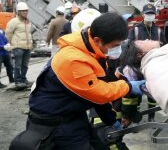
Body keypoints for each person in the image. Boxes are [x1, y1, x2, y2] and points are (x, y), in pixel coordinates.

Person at [9, 12, 146, 150]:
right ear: (98, 40)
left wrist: (110, 119)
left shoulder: (93, 53)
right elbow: (98, 92)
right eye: (115, 45)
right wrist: (128, 86)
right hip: (55, 125)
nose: (117, 49)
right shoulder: (73, 60)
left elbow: (96, 95)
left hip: (74, 116)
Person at [127, 3, 164, 121]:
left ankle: (151, 117)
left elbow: (164, 47)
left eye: (152, 13)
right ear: (143, 15)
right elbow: (129, 46)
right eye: (148, 14)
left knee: (151, 91)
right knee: (137, 92)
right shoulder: (136, 29)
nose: (150, 16)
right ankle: (135, 117)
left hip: (154, 65)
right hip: (138, 65)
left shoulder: (158, 30)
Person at [5, 2, 33, 90]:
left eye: (26, 11)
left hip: (27, 47)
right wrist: (13, 44)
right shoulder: (14, 22)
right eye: (23, 11)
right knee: (17, 65)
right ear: (18, 12)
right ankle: (18, 81)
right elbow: (8, 34)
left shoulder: (28, 22)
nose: (25, 12)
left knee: (25, 65)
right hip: (18, 48)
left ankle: (23, 79)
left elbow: (29, 34)